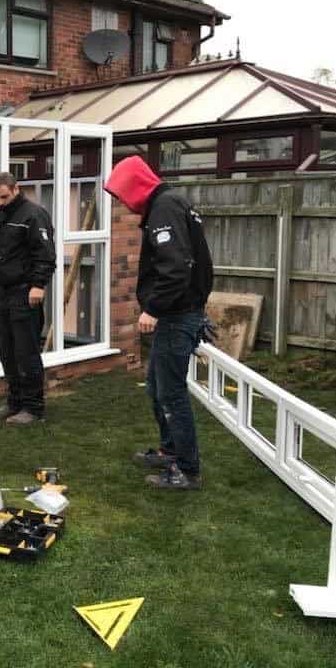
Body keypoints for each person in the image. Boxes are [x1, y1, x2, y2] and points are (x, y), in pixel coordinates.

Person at [104, 156, 214, 489]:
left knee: (171, 393)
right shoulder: (172, 202)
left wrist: (153, 308)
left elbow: (176, 267)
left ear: (135, 186)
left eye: (123, 196)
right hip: (182, 310)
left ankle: (187, 469)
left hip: (175, 315)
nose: (124, 203)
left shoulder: (164, 207)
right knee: (156, 387)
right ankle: (170, 451)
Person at [0, 172, 56, 425]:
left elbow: (45, 254)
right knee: (8, 353)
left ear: (16, 189)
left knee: (27, 353)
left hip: (26, 293)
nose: (0, 202)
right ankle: (14, 403)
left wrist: (38, 285)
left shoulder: (34, 215)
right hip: (5, 294)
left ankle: (34, 408)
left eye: (4, 196)